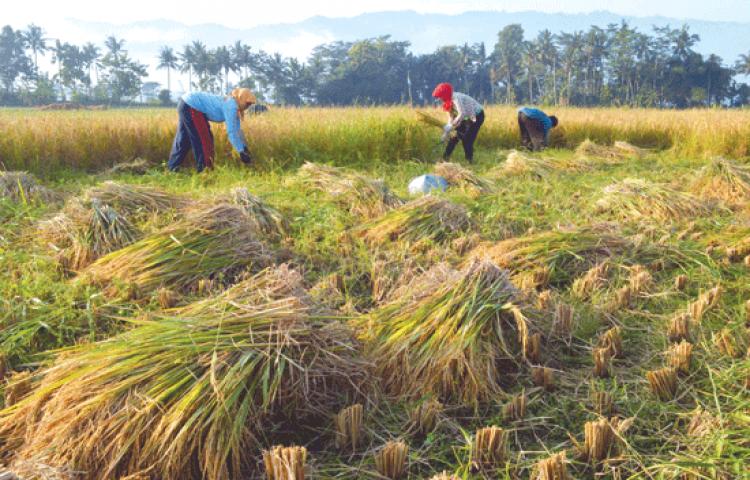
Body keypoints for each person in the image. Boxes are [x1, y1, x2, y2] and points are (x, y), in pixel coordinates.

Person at [167, 88, 256, 173]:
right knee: (205, 140)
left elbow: (237, 129)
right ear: (241, 98)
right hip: (192, 106)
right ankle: (205, 172)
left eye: (250, 104)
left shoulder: (233, 105)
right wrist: (241, 151)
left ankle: (172, 168)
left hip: (186, 103)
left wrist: (244, 147)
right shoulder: (231, 106)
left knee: (184, 139)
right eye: (247, 103)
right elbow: (232, 132)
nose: (248, 106)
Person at [432, 82, 485, 163]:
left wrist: (452, 125)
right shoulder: (447, 103)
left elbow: (462, 113)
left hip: (476, 116)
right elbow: (451, 117)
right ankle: (445, 159)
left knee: (467, 139)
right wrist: (446, 132)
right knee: (453, 138)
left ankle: (469, 161)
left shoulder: (455, 98)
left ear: (445, 94)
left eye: (440, 96)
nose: (439, 99)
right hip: (466, 117)